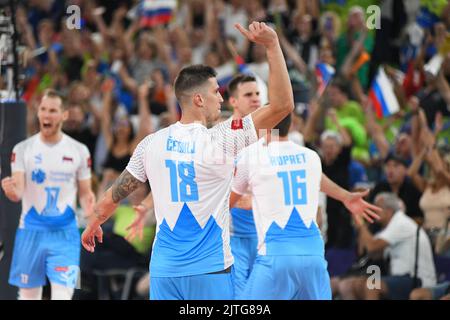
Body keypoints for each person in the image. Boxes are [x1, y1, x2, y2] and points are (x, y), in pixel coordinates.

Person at [82, 21, 295, 300]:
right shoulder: (220, 138)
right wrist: (272, 45)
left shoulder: (151, 143)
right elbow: (282, 107)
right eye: (216, 92)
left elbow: (115, 193)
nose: (221, 98)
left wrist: (93, 223)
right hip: (209, 271)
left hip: (164, 272)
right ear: (198, 99)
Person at [229, 113, 380, 300]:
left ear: (263, 126)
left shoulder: (254, 159)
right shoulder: (311, 157)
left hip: (276, 254)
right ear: (290, 125)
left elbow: (226, 203)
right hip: (313, 255)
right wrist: (345, 196)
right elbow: (316, 179)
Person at [1, 89, 96, 300]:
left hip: (65, 233)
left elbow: (85, 193)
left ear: (64, 115)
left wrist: (91, 210)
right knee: (28, 297)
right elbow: (17, 190)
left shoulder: (79, 150)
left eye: (53, 110)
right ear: (38, 113)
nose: (47, 115)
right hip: (30, 231)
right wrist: (11, 190)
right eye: (43, 109)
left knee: (64, 295)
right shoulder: (22, 149)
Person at [337, 193, 436, 300]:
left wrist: (361, 224)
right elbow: (368, 252)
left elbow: (371, 247)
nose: (373, 211)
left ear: (388, 210)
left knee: (371, 286)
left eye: (377, 207)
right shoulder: (387, 227)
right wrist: (359, 225)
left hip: (416, 279)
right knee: (349, 284)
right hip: (399, 277)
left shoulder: (400, 222)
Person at [226, 74, 262, 298]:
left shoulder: (271, 134)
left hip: (264, 234)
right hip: (232, 235)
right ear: (233, 101)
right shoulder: (223, 135)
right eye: (248, 95)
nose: (256, 99)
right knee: (238, 299)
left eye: (257, 93)